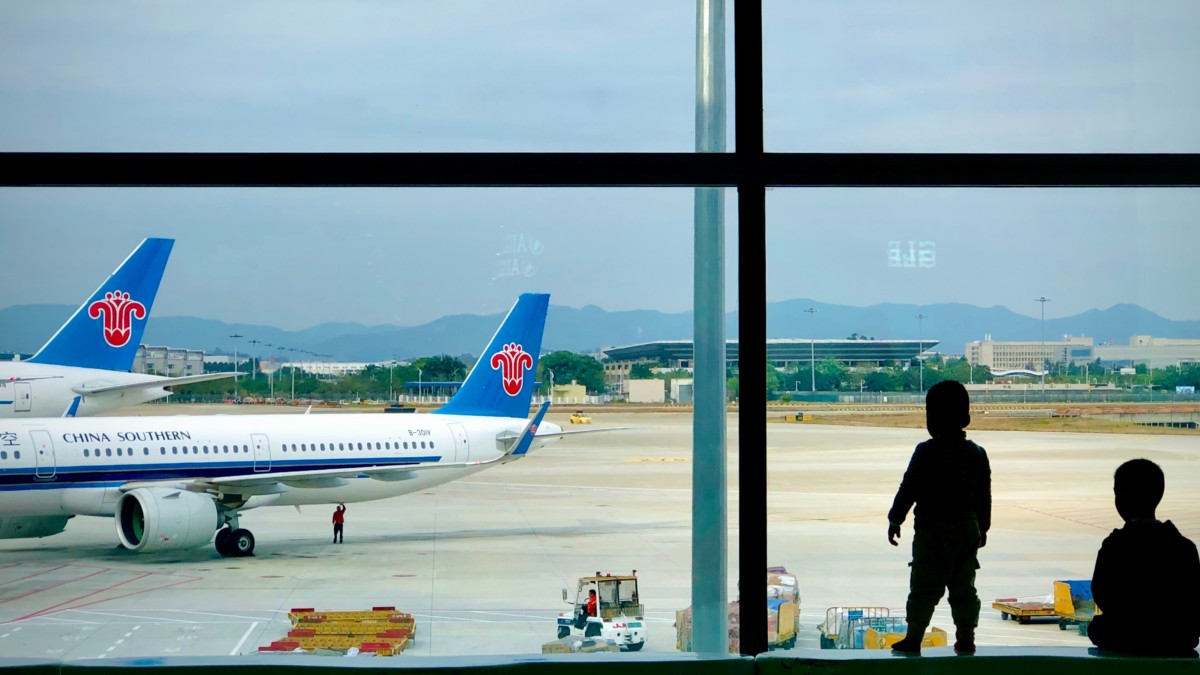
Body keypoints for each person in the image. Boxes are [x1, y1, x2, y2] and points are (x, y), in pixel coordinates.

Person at [886, 380, 990, 655]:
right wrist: (983, 527)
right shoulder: (978, 453)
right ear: (966, 418)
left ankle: (914, 637)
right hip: (967, 527)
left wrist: (895, 519)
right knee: (964, 587)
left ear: (930, 419)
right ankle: (966, 638)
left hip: (933, 529)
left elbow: (908, 487)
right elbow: (984, 495)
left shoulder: (926, 451)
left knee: (924, 586)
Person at [1088, 459, 1199, 656]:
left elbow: (1102, 596)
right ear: (1159, 495)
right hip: (1175, 639)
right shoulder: (1185, 547)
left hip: (1125, 637)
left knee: (1099, 627)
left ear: (1120, 498)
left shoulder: (1115, 545)